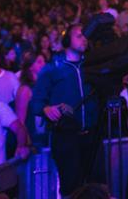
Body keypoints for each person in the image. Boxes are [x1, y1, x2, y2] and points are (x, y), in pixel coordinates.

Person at [30, 24, 99, 197]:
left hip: (92, 136)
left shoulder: (92, 66)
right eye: (78, 35)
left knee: (96, 186)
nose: (84, 38)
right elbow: (36, 103)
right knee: (72, 188)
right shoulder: (52, 68)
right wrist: (46, 109)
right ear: (67, 40)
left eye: (85, 36)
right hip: (66, 138)